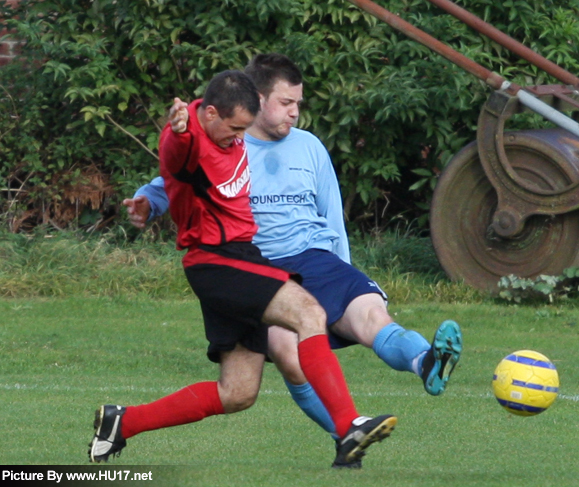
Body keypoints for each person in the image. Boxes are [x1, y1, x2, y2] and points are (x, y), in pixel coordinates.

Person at [124, 54, 462, 467]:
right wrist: (147, 201)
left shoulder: (309, 146)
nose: (295, 112)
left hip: (316, 257)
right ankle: (346, 433)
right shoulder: (226, 138)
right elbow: (172, 179)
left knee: (371, 316)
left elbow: (331, 213)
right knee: (286, 356)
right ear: (259, 99)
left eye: (298, 103)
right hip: (257, 265)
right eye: (286, 102)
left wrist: (346, 273)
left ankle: (425, 361)